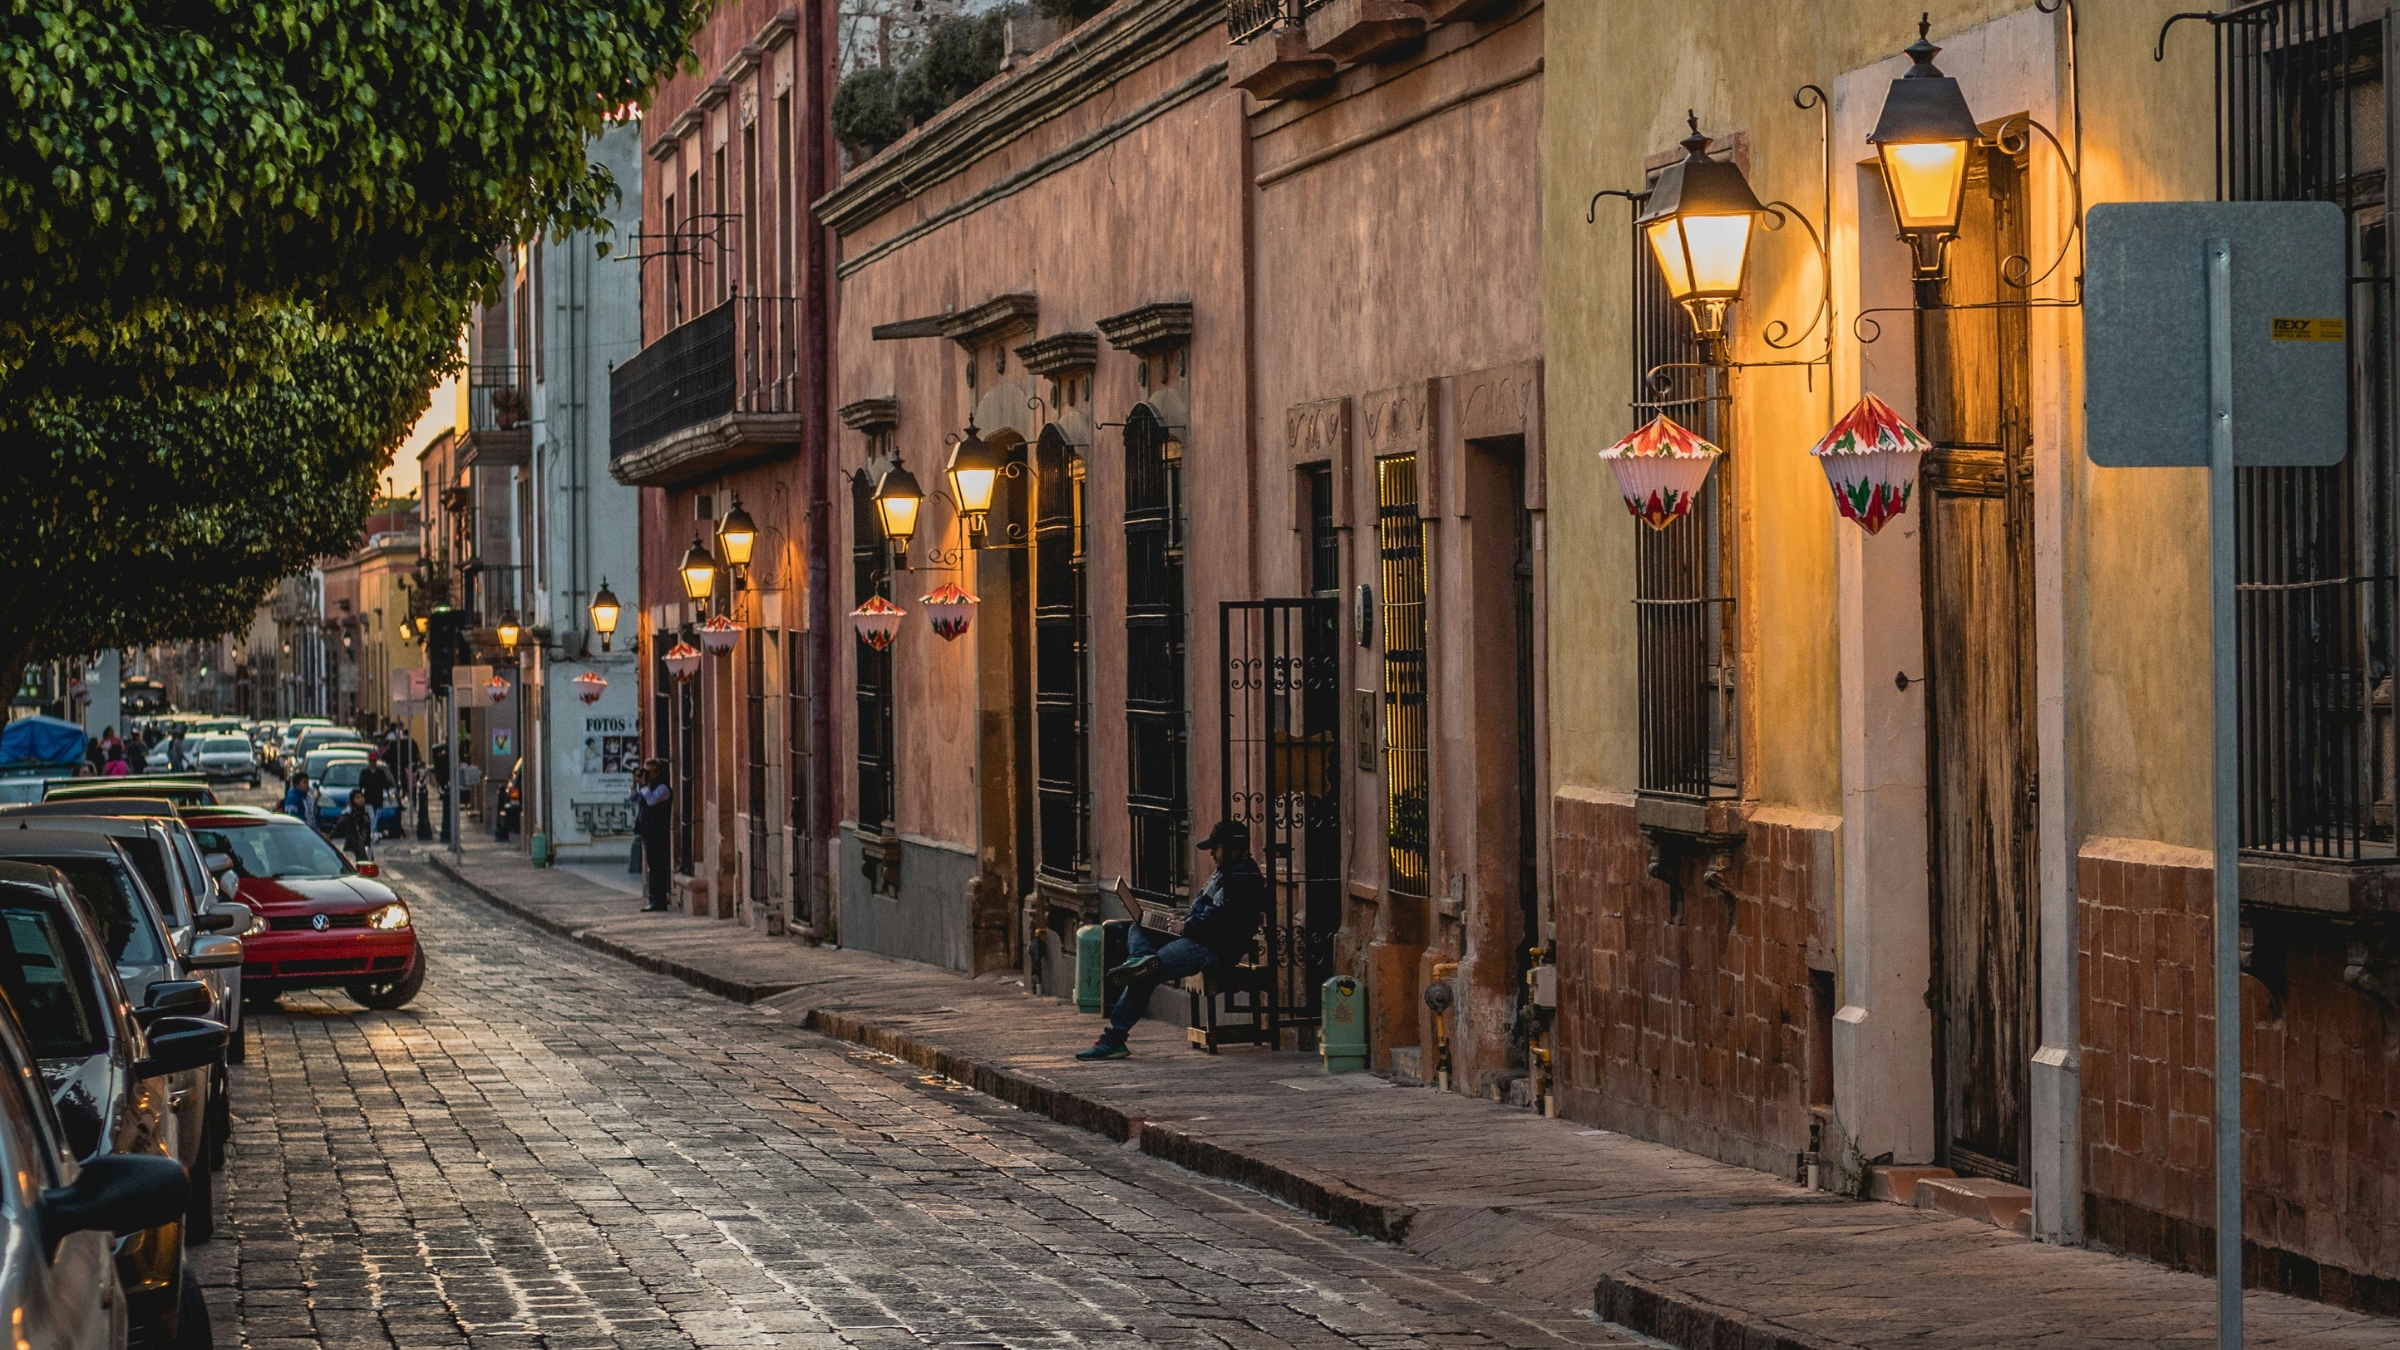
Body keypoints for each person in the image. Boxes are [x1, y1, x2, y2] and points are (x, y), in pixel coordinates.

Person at [1076, 819, 1269, 1061]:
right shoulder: (1225, 871)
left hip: (1210, 946)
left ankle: (1114, 1039)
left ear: (1231, 849)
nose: (1211, 853)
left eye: (1215, 848)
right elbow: (1205, 909)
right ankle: (1140, 958)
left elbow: (1222, 923)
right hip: (1194, 932)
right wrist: (1182, 919)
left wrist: (1186, 927)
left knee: (1146, 974)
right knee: (1139, 926)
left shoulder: (1243, 877)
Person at [634, 759, 672, 912]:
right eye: (645, 770)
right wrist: (634, 785)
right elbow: (634, 798)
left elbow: (651, 801)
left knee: (657, 867)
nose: (646, 774)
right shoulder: (647, 787)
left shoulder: (663, 788)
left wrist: (643, 785)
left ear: (657, 772)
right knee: (652, 866)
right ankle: (654, 898)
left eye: (649, 771)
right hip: (647, 831)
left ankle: (660, 900)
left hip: (658, 831)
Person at [357, 753, 392, 837]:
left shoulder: (380, 773)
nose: (372, 762)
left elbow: (386, 785)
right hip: (368, 799)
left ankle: (373, 832)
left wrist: (389, 797)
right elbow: (360, 786)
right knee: (371, 816)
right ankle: (372, 833)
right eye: (371, 761)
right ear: (369, 761)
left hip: (378, 799)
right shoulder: (364, 773)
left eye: (374, 761)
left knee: (376, 817)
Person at [337, 790, 375, 861]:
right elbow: (339, 826)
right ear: (352, 800)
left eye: (362, 797)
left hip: (365, 847)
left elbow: (370, 827)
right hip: (352, 848)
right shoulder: (349, 813)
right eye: (357, 798)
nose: (360, 800)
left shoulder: (366, 812)